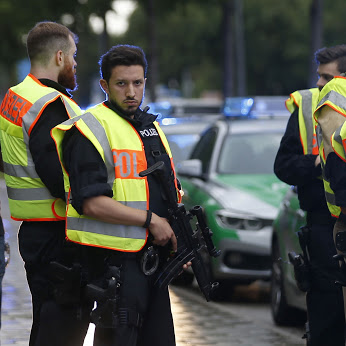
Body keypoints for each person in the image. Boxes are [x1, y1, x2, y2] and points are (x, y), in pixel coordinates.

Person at [51, 44, 185, 346]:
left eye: (138, 83)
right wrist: (151, 221)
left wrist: (177, 241)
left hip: (151, 261)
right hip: (113, 265)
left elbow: (164, 192)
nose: (131, 92)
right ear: (104, 85)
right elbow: (90, 202)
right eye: (121, 84)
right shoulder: (88, 130)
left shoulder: (150, 127)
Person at [0, 21, 91, 345]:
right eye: (73, 56)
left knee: (46, 324)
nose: (76, 63)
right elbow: (58, 176)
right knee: (63, 330)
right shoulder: (51, 106)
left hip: (36, 233)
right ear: (58, 56)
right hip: (58, 236)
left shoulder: (16, 97)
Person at [274, 45, 346, 345]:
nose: (319, 84)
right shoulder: (306, 105)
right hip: (322, 226)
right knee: (327, 317)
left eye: (326, 77)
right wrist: (317, 162)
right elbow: (283, 165)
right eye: (318, 76)